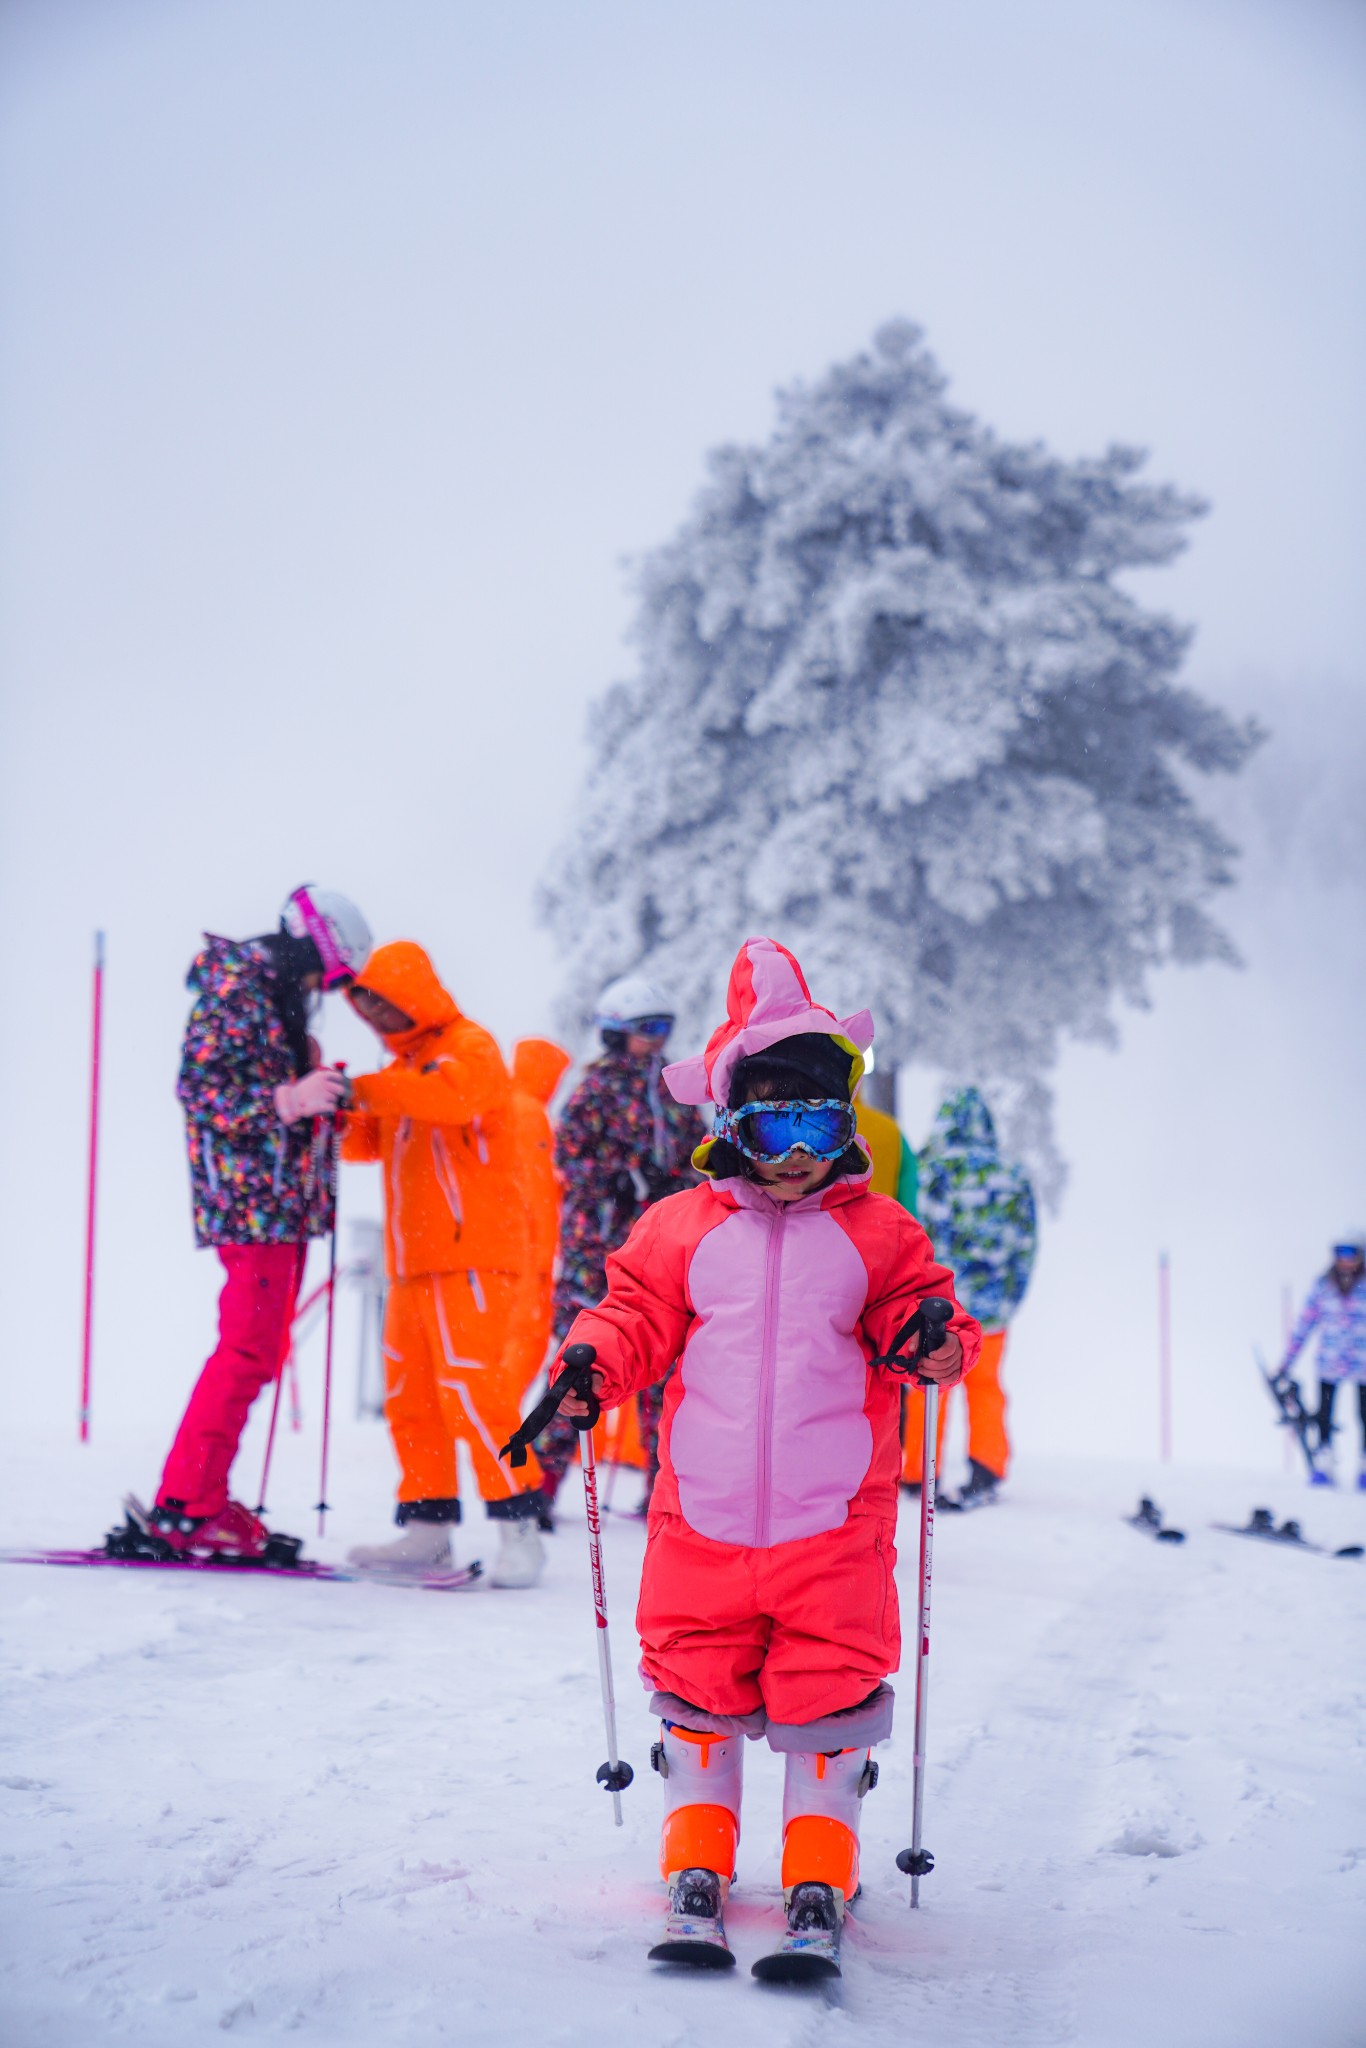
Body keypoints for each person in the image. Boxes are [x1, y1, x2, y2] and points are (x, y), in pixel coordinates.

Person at [554, 936, 980, 1965]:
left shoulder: (881, 1232)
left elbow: (925, 1314)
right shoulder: (678, 1227)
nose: (798, 1148)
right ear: (731, 1123)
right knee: (696, 1689)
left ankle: (817, 1873)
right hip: (698, 1519)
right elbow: (631, 1313)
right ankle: (697, 1856)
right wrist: (587, 1367)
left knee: (829, 1697)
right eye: (776, 1120)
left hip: (832, 1528)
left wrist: (932, 1341)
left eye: (820, 1121)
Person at [135, 886, 371, 1561]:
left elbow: (248, 1089)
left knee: (259, 1352)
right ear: (307, 944)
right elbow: (202, 1091)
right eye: (321, 972)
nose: (318, 987)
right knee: (245, 1351)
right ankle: (186, 1504)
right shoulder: (238, 991)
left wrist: (313, 1092)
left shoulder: (267, 994)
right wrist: (289, 1099)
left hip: (277, 1201)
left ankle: (197, 1496)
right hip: (253, 1202)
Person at [340, 942, 551, 1587]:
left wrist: (368, 1088)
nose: (378, 1019)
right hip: (412, 1265)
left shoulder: (468, 1047)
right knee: (412, 1400)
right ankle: (427, 1530)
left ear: (414, 997)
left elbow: (457, 1100)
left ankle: (519, 1529)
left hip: (471, 1259)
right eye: (368, 1009)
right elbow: (364, 1146)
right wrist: (338, 1107)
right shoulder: (403, 1072)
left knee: (476, 1393)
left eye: (385, 1004)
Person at [534, 974, 703, 1523]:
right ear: (613, 1034)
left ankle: (663, 1485)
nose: (656, 1040)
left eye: (664, 1028)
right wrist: (620, 1176)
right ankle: (540, 1482)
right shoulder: (598, 1087)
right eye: (645, 1030)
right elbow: (570, 1157)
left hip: (658, 1250)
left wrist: (674, 1185)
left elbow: (699, 1155)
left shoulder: (676, 1089)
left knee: (662, 1362)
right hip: (597, 1247)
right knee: (581, 1359)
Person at [902, 1087, 1036, 1508]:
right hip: (994, 1307)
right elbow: (1025, 1242)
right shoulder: (1011, 1176)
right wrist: (1012, 1295)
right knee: (986, 1384)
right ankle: (987, 1465)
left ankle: (919, 1471)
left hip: (941, 1304)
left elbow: (914, 1231)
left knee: (931, 1382)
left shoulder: (930, 1171)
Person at [1282, 1233, 1366, 1489]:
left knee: (1363, 1414)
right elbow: (1305, 1324)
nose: (1345, 1260)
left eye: (1350, 1253)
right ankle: (1324, 1462)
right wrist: (1286, 1362)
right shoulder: (1324, 1286)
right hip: (1329, 1364)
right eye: (1340, 1253)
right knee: (1324, 1414)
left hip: (1362, 1365)